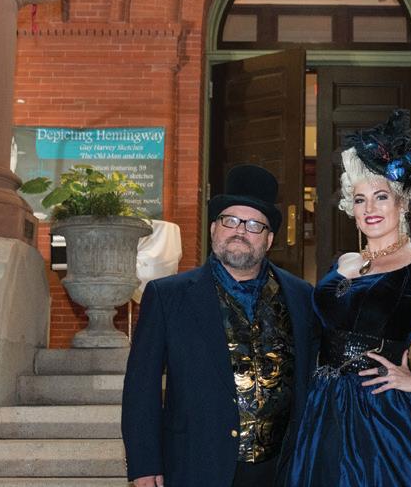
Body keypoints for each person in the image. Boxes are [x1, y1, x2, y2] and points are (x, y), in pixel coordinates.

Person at [281, 110, 411, 487]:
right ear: (350, 208)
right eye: (360, 200)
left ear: (403, 203)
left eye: (381, 197)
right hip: (323, 405)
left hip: (383, 410)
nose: (370, 209)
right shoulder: (343, 262)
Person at [122, 164, 319, 487]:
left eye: (254, 225)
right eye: (230, 220)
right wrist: (144, 463)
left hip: (281, 469)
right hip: (197, 464)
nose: (240, 231)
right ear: (214, 229)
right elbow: (141, 387)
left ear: (269, 239)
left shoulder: (300, 295)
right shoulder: (167, 296)